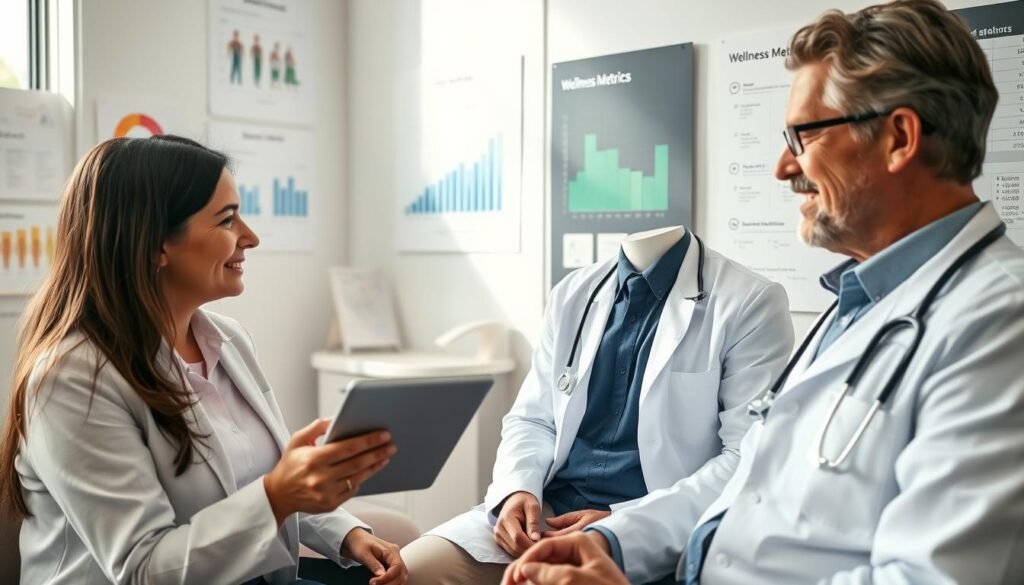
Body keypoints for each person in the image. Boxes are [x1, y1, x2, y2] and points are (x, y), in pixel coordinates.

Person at [502, 1, 1024, 583]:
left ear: (899, 138)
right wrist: (612, 540)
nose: (783, 166)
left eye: (803, 135)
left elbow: (930, 577)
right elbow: (746, 474)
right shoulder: (859, 302)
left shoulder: (1000, 324)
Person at [0, 136, 409, 585]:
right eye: (227, 220)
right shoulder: (72, 379)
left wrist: (346, 532)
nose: (250, 238)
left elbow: (265, 478)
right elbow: (143, 569)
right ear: (156, 244)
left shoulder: (228, 340)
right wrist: (277, 496)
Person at [402, 225, 794, 585]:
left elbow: (745, 457)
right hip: (547, 512)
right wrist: (516, 492)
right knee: (411, 572)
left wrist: (617, 527)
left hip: (647, 525)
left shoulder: (749, 301)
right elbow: (532, 418)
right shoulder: (573, 292)